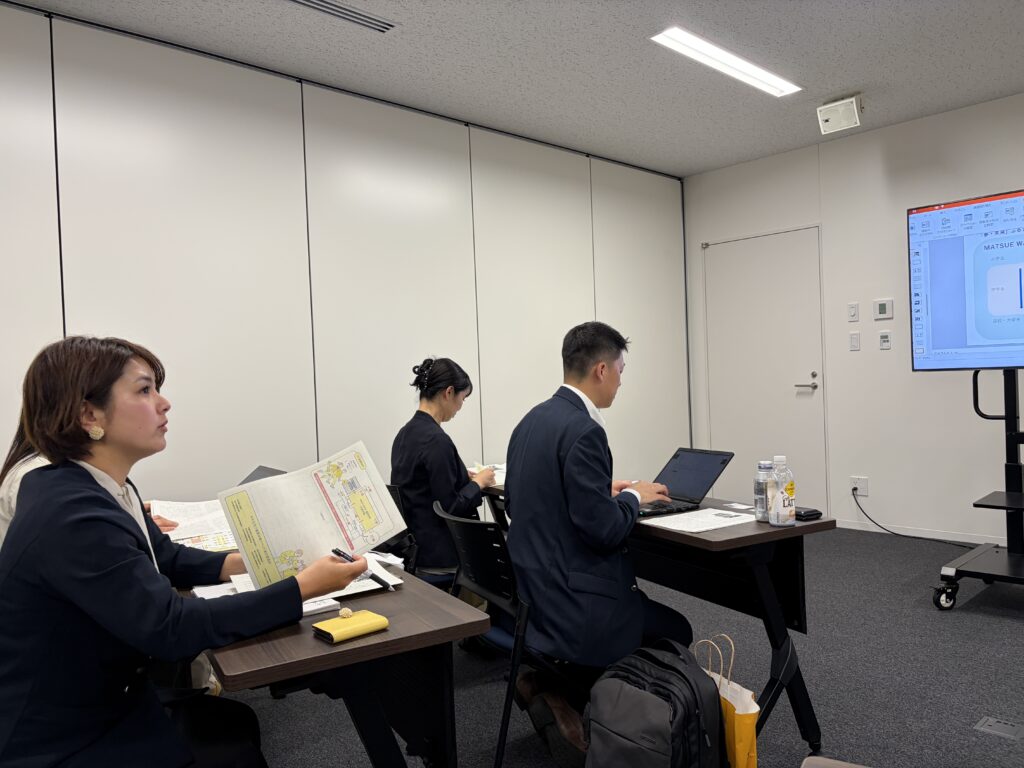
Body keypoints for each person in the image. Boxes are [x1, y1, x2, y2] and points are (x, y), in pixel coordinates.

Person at [0, 336, 367, 767]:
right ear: (89, 415)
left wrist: (251, 562)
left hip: (101, 693)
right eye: (144, 390)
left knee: (234, 724)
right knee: (232, 749)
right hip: (60, 733)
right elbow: (171, 628)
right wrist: (301, 588)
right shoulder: (72, 514)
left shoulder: (100, 485)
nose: (164, 403)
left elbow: (168, 558)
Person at [505, 321, 694, 764]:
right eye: (621, 371)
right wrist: (633, 496)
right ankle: (619, 719)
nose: (621, 383)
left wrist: (596, 489)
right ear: (602, 370)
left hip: (534, 597)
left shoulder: (530, 421)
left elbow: (519, 499)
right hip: (577, 608)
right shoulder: (585, 430)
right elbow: (605, 531)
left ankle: (554, 684)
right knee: (678, 629)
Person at [390, 357, 496, 577]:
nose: (460, 407)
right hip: (441, 555)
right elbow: (451, 508)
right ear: (449, 392)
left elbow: (425, 489)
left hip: (416, 549)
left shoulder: (404, 434)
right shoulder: (436, 441)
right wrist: (479, 483)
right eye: (462, 398)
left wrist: (461, 477)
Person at [0, 424, 179, 549]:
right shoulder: (40, 478)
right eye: (143, 391)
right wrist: (129, 528)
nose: (163, 404)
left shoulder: (76, 470)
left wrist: (128, 516)